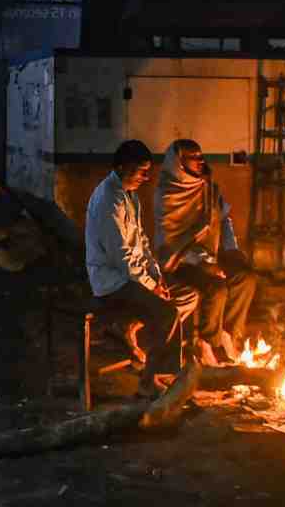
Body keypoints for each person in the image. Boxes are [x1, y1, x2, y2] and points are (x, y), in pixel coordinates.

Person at [86, 140, 199, 398]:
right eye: (141, 171)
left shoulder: (130, 196)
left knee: (186, 296)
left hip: (132, 278)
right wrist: (151, 287)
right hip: (112, 283)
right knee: (167, 313)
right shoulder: (108, 200)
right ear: (122, 167)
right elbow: (122, 257)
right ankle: (150, 380)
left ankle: (154, 357)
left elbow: (142, 243)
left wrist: (156, 277)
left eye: (148, 171)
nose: (146, 177)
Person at [154, 140, 258, 366]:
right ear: (179, 162)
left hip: (210, 256)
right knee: (217, 288)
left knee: (246, 278)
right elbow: (170, 243)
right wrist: (202, 264)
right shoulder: (168, 194)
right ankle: (207, 342)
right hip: (179, 262)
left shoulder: (208, 188)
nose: (200, 161)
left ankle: (228, 333)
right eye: (193, 157)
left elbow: (224, 220)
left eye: (201, 156)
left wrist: (232, 250)